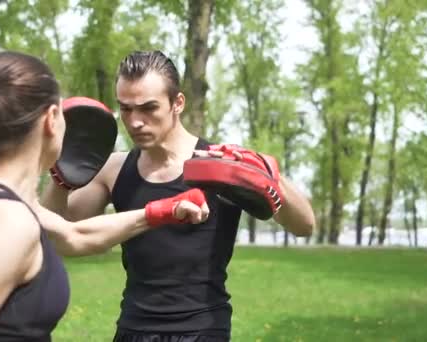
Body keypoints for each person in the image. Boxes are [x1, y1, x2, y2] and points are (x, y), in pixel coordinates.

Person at [0, 50, 208, 342]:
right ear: (53, 119)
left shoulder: (5, 206)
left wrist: (163, 211)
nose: (134, 121)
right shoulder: (4, 224)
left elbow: (75, 234)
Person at [41, 50, 316, 342]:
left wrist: (269, 176)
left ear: (178, 103)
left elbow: (304, 225)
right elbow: (56, 235)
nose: (135, 122)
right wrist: (60, 174)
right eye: (126, 109)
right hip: (134, 329)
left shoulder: (220, 165)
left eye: (148, 108)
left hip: (203, 330)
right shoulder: (114, 169)